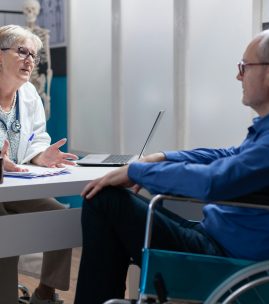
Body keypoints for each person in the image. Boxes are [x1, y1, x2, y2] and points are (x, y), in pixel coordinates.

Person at [74, 29, 269, 304]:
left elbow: (213, 181)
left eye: (244, 67)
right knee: (113, 206)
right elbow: (226, 155)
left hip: (227, 259)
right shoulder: (263, 131)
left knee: (105, 201)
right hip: (214, 238)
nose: (239, 76)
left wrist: (135, 171)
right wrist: (162, 157)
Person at [0, 25, 77, 304]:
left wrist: (39, 155)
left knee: (60, 219)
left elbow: (36, 138)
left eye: (34, 55)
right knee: (6, 231)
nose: (30, 60)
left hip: (17, 186)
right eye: (22, 52)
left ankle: (45, 293)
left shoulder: (29, 94)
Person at [22, 0, 53, 120]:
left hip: (38, 82)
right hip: (24, 80)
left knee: (40, 119)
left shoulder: (44, 34)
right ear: (24, 11)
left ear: (37, 11)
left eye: (33, 9)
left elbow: (49, 67)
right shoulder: (20, 34)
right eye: (27, 9)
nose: (30, 12)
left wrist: (48, 97)